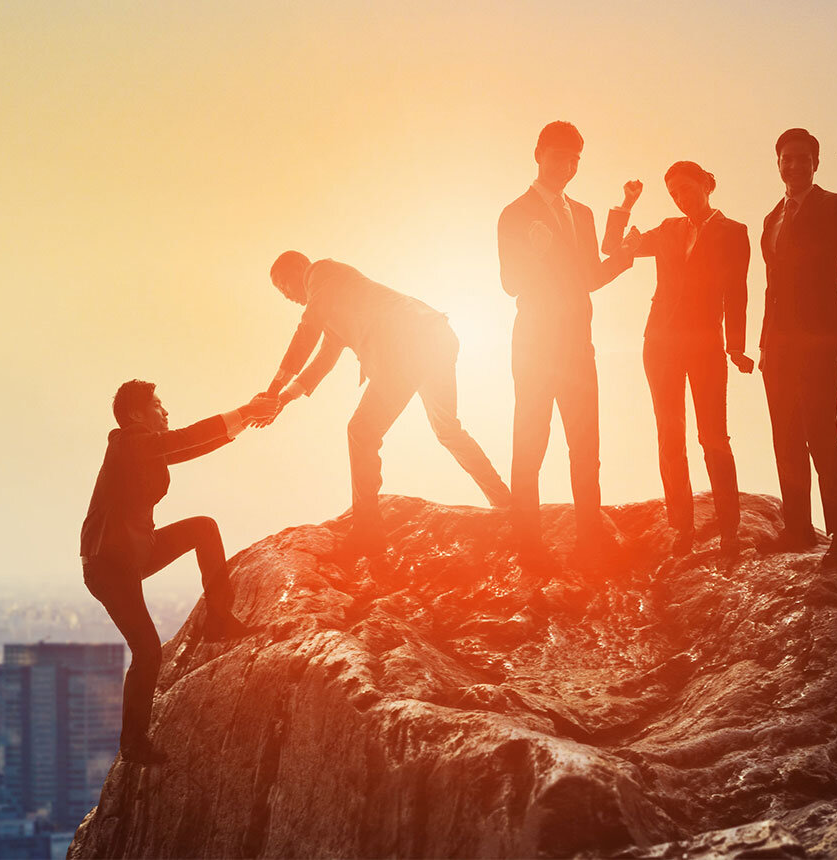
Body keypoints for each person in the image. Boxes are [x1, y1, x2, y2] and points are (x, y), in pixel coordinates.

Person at [80, 380, 277, 762]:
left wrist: (244, 420)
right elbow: (185, 438)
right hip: (108, 566)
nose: (165, 411)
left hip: (137, 552)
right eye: (157, 404)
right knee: (148, 652)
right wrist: (244, 412)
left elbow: (190, 445)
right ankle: (133, 743)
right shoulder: (127, 443)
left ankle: (218, 619)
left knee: (204, 527)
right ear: (137, 415)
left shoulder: (145, 449)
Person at [255, 252, 514, 544]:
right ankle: (505, 501)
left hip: (407, 345)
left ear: (300, 268)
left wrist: (272, 390)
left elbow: (307, 330)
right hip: (433, 338)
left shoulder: (322, 273)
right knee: (448, 429)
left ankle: (367, 529)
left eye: (283, 285)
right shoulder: (330, 305)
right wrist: (283, 400)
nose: (286, 295)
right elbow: (323, 361)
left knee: (361, 431)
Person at [497, 121, 633, 553]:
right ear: (538, 154)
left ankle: (590, 537)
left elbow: (590, 276)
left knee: (585, 443)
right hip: (535, 345)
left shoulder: (584, 213)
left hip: (578, 346)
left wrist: (625, 258)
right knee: (531, 443)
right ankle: (529, 547)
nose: (567, 165)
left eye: (575, 158)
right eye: (559, 155)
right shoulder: (514, 213)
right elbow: (510, 283)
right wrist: (534, 252)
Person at [606, 161, 752, 558]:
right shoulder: (668, 229)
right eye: (673, 193)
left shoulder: (733, 232)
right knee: (670, 437)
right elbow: (614, 249)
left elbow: (737, 291)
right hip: (660, 345)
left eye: (686, 189)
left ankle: (729, 530)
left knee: (714, 438)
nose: (680, 198)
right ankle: (682, 527)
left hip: (706, 345)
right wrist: (625, 206)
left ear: (708, 183)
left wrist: (735, 346)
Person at [758, 127, 837, 567]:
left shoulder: (832, 204)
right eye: (786, 158)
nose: (794, 165)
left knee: (822, 436)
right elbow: (771, 288)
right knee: (785, 439)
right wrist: (765, 344)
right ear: (779, 164)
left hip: (820, 339)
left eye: (802, 158)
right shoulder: (772, 217)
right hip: (780, 346)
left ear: (815, 163)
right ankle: (797, 529)